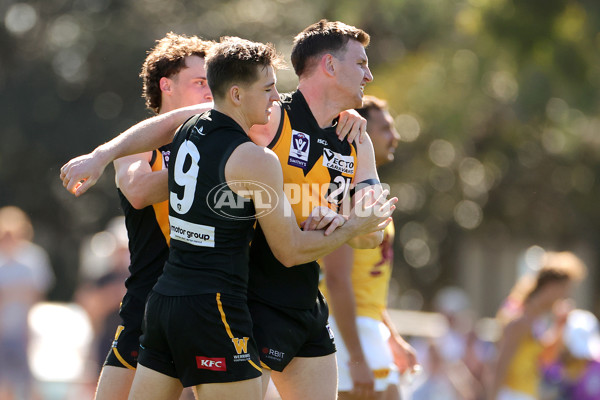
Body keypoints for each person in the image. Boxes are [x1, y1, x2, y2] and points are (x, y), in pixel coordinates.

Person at [60, 19, 394, 400]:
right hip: (248, 302)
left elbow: (372, 231)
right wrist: (103, 154)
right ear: (330, 67)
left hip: (305, 302)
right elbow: (179, 124)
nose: (369, 74)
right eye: (361, 64)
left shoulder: (356, 141)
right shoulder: (269, 118)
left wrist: (347, 222)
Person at [94, 33, 214, 400]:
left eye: (215, 83)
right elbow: (139, 191)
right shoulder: (135, 143)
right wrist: (210, 165)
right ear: (166, 85)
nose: (211, 91)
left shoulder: (228, 139)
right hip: (147, 306)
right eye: (200, 82)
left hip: (212, 303)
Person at [319, 96, 417, 400]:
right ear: (360, 132)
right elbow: (336, 280)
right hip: (347, 326)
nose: (395, 137)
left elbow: (368, 280)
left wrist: (392, 337)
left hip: (366, 325)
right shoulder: (344, 189)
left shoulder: (366, 189)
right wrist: (357, 357)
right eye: (385, 128)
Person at [489, 251, 586, 400]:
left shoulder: (536, 321)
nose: (566, 296)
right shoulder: (520, 320)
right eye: (565, 289)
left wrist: (560, 326)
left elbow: (546, 358)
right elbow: (500, 366)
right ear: (550, 287)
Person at [0, 205, 54, 400]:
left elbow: (38, 295)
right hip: (3, 330)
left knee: (31, 383)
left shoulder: (34, 258)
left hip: (28, 331)